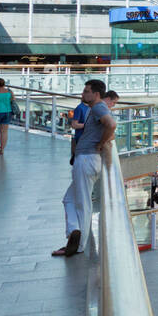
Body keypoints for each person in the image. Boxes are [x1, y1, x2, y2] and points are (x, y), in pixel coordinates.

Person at [52, 79, 115, 258]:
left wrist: (100, 143)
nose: (82, 94)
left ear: (95, 94)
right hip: (89, 160)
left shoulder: (98, 107)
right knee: (69, 200)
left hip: (87, 159)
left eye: (86, 91)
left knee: (83, 203)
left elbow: (111, 125)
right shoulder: (96, 109)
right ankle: (74, 232)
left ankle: (79, 244)